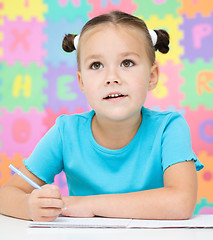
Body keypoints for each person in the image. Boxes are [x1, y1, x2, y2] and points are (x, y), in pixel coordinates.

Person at [0, 11, 203, 222]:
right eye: (96, 65)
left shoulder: (169, 128)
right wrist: (30, 207)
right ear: (82, 82)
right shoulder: (66, 132)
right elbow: (5, 195)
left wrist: (86, 205)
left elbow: (181, 203)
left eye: (127, 63)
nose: (112, 78)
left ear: (152, 76)